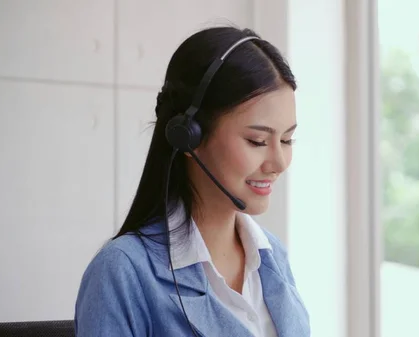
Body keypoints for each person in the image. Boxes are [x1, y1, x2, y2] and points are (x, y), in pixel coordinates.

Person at [74, 26, 310, 337]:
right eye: (256, 141)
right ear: (189, 135)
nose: (278, 163)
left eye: (288, 140)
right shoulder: (122, 271)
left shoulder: (272, 256)